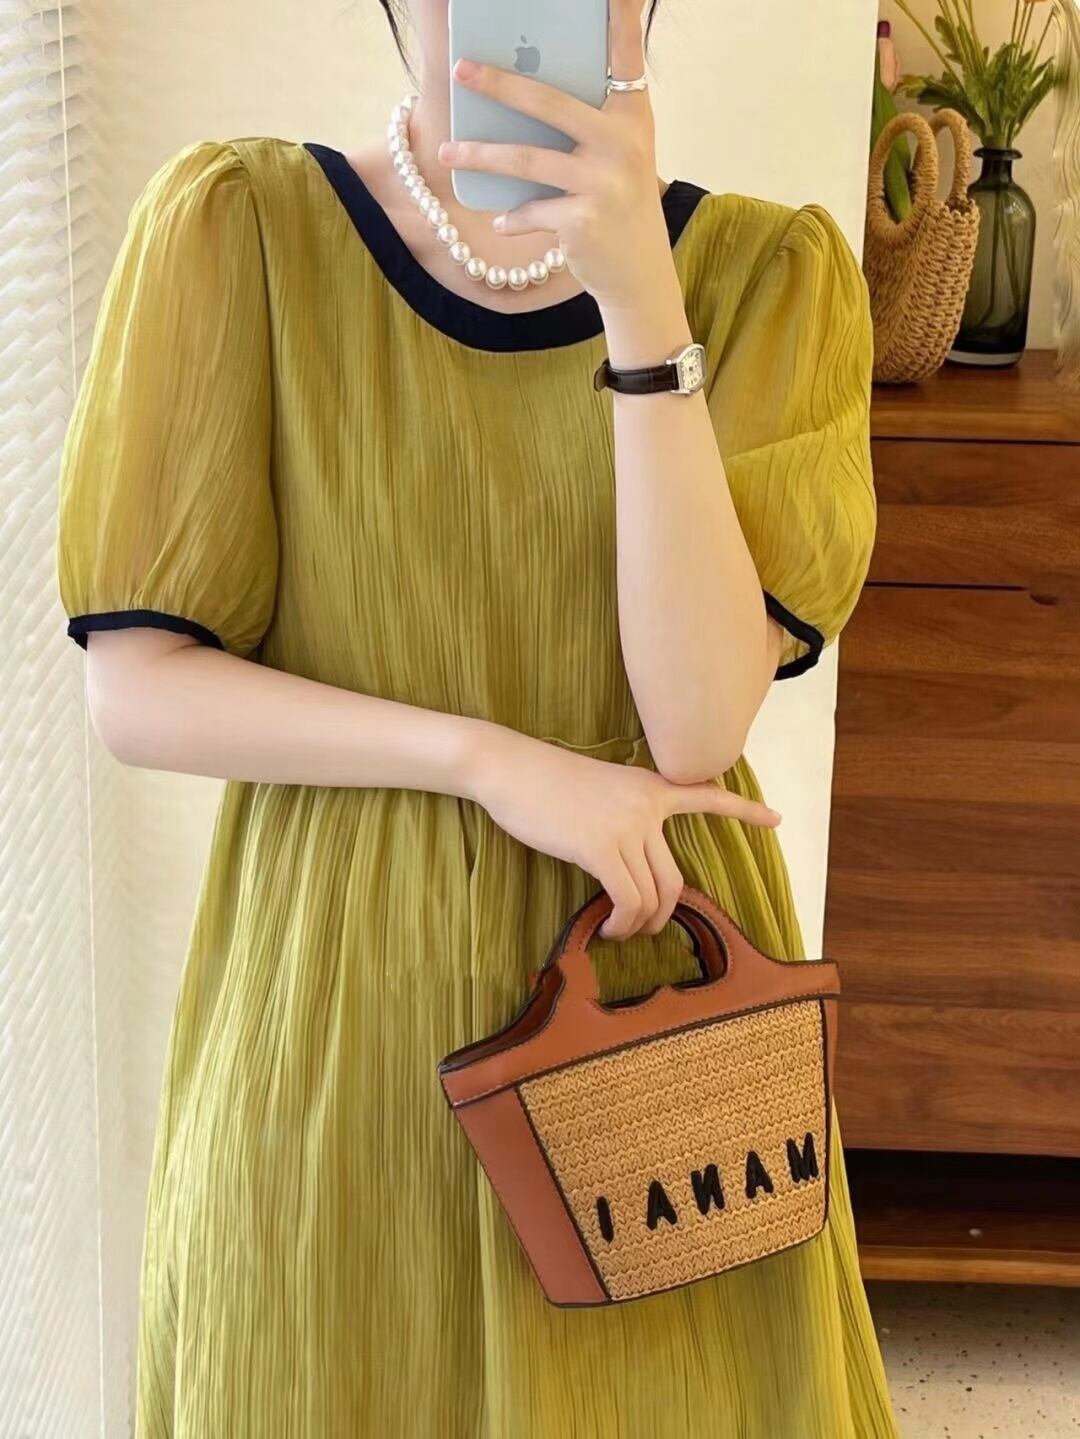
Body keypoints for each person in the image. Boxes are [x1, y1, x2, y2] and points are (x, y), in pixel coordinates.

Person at [55, 0, 900, 1433]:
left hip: (653, 1001)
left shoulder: (768, 279)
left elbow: (695, 722)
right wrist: (490, 762)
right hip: (336, 1003)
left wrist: (644, 313)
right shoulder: (240, 232)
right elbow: (137, 686)